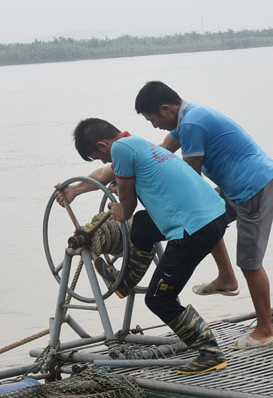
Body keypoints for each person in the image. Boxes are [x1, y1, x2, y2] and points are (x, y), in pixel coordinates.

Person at [56, 118, 229, 374]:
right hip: (211, 214)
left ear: (104, 145)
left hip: (194, 229)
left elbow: (126, 207)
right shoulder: (135, 143)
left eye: (99, 156)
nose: (104, 162)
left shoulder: (120, 149)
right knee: (143, 224)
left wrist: (118, 210)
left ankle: (209, 352)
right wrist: (75, 190)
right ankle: (124, 281)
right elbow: (105, 176)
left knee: (159, 299)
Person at [134, 81, 273, 350]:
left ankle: (265, 330)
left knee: (249, 262)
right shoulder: (188, 118)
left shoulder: (192, 124)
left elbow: (190, 178)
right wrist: (127, 175)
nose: (154, 125)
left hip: (256, 188)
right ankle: (226, 279)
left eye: (152, 119)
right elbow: (160, 153)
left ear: (166, 109)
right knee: (206, 216)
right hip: (238, 187)